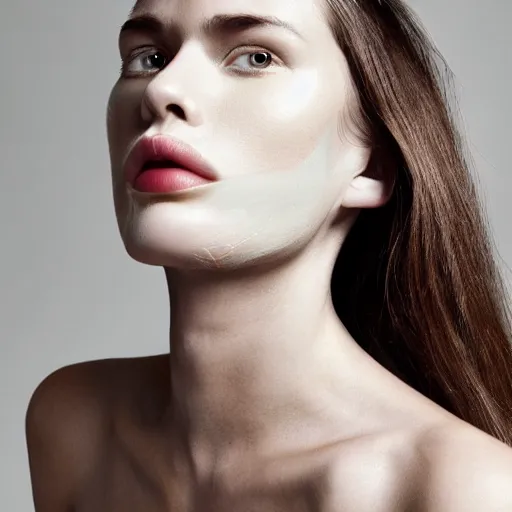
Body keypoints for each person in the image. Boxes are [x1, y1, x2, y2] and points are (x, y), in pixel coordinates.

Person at [26, 0, 512, 510]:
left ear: (370, 167)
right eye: (148, 57)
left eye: (256, 57)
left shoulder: (463, 490)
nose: (161, 90)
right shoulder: (75, 423)